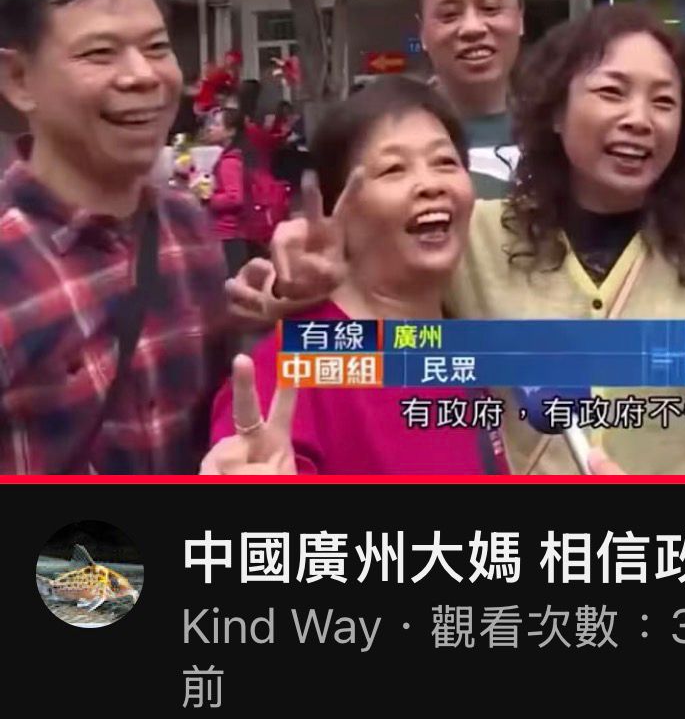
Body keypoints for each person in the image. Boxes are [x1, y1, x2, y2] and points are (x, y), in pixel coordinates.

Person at [243, 5, 685, 475]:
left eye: (664, 102)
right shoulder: (479, 237)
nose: (639, 119)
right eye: (611, 93)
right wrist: (296, 279)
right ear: (555, 110)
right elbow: (375, 318)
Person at [203, 78, 508, 475]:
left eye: (445, 163)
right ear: (337, 209)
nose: (430, 185)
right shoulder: (289, 371)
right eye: (394, 169)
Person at [0, 0, 234, 474]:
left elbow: (230, 406)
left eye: (156, 48)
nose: (142, 75)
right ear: (19, 80)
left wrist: (311, 305)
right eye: (100, 53)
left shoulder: (189, 228)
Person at [416, 0, 524, 199]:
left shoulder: (561, 132)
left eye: (490, 8)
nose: (472, 28)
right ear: (422, 32)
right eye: (449, 15)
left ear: (520, 19)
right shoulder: (390, 140)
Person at [203, 107, 255, 277]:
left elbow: (234, 198)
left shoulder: (229, 162)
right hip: (230, 234)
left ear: (231, 131)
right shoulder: (234, 157)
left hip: (228, 235)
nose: (210, 128)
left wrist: (208, 198)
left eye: (216, 124)